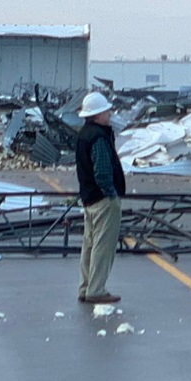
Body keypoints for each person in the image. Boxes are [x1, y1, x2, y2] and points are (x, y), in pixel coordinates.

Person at [75, 91, 125, 304]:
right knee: (103, 247)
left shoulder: (85, 134)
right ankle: (97, 290)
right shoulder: (98, 137)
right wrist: (111, 195)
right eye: (106, 110)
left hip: (88, 199)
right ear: (97, 114)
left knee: (90, 245)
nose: (110, 113)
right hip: (103, 200)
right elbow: (103, 172)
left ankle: (86, 287)